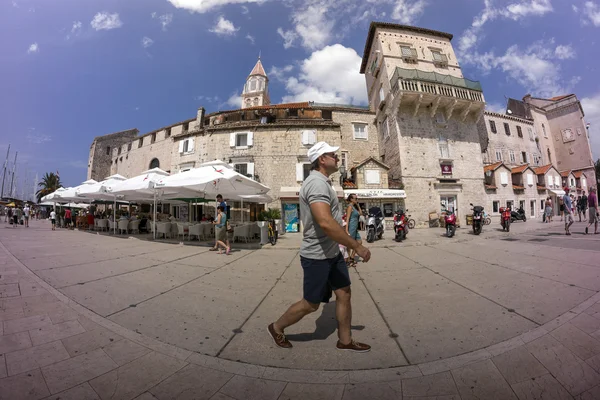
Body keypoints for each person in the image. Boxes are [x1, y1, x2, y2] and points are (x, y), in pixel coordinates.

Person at [268, 141, 372, 352]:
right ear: (321, 159)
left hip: (332, 253)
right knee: (311, 304)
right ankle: (277, 327)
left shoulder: (324, 182)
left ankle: (345, 340)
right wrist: (356, 247)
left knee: (344, 293)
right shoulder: (316, 184)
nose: (336, 157)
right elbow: (325, 223)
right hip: (317, 256)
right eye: (332, 154)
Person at [345, 194, 362, 267]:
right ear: (351, 199)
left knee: (359, 242)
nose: (356, 200)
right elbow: (347, 218)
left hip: (355, 228)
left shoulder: (354, 207)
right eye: (355, 198)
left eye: (357, 198)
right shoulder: (349, 207)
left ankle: (352, 257)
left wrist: (358, 205)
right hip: (351, 227)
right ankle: (348, 260)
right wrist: (346, 229)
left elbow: (360, 213)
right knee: (349, 245)